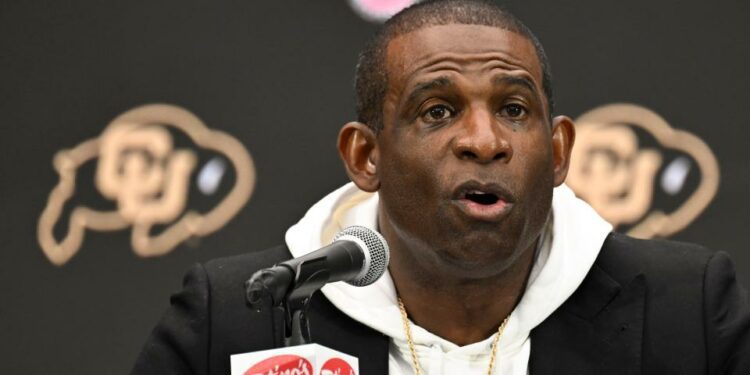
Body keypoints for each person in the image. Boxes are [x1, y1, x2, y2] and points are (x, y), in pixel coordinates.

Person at [131, 1, 750, 374]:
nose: (484, 141)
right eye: (438, 111)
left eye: (513, 109)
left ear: (558, 151)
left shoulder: (686, 311)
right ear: (365, 156)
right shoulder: (246, 315)